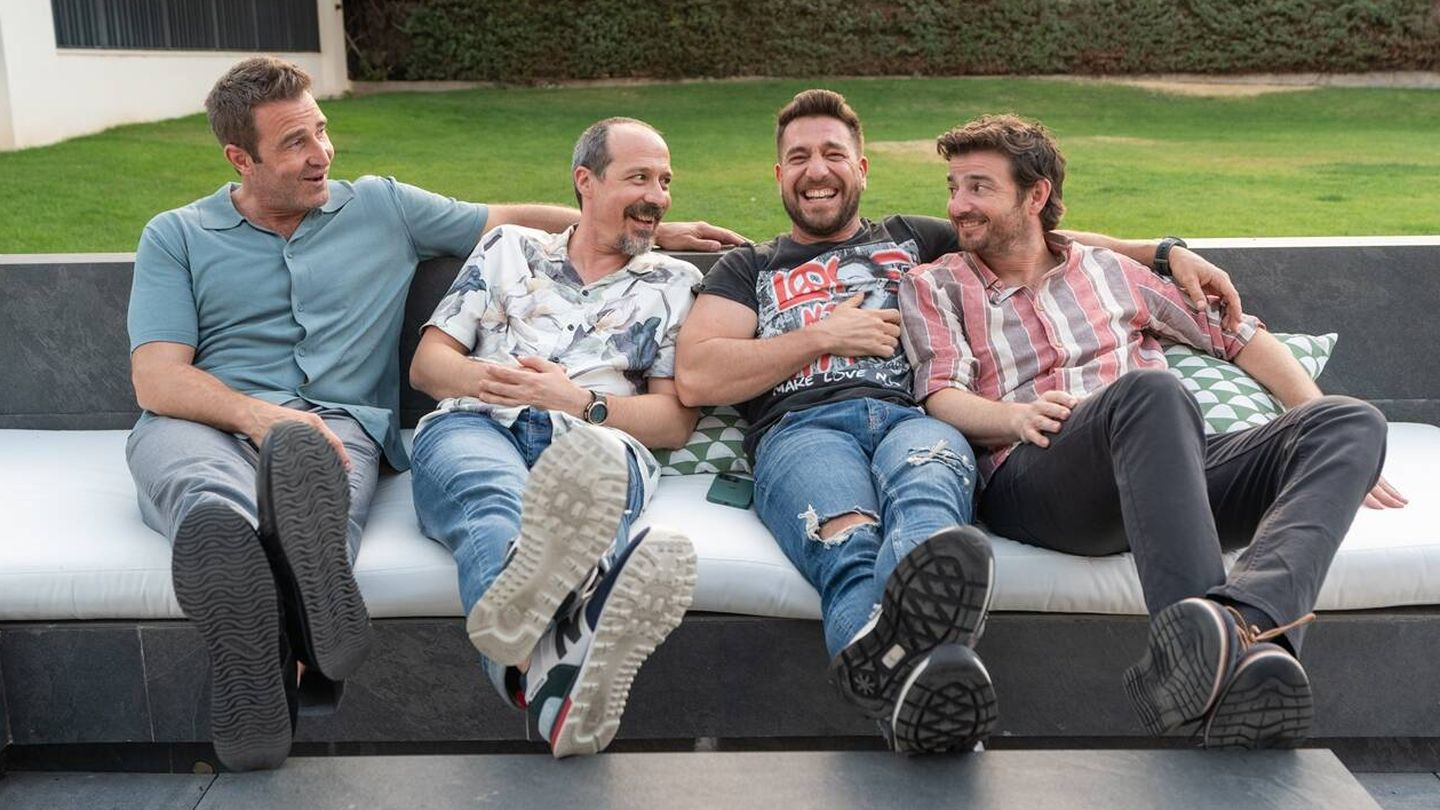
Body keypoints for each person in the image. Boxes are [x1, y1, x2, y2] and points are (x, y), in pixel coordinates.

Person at [125, 56, 740, 771]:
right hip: (205, 419)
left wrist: (642, 225)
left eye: (321, 130)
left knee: (325, 484)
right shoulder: (177, 234)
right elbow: (157, 377)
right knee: (211, 501)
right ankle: (274, 620)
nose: (322, 153)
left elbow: (501, 216)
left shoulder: (380, 206)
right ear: (241, 159)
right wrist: (262, 418)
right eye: (295, 142)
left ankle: (308, 642)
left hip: (338, 430)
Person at [674, 88, 1242, 754]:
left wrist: (1164, 252)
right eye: (798, 157)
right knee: (848, 544)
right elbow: (698, 375)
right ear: (779, 175)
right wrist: (822, 336)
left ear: (862, 169)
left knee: (927, 521)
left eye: (833, 153)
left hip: (914, 420)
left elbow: (1036, 237)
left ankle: (912, 696)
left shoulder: (912, 239)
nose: (816, 170)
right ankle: (923, 699)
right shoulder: (750, 266)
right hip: (802, 432)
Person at [899, 113, 1407, 749]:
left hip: (1165, 467)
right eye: (953, 187)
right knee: (1152, 392)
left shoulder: (1109, 270)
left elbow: (1236, 337)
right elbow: (940, 393)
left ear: (1035, 196)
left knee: (1349, 420)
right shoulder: (935, 282)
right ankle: (1186, 655)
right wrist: (1013, 418)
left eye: (979, 187)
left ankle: (1246, 629)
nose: (957, 206)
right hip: (1043, 474)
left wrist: (1319, 428)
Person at [408, 117, 701, 758]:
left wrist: (576, 402)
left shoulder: (676, 283)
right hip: (477, 422)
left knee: (590, 491)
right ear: (585, 181)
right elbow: (429, 366)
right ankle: (559, 661)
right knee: (493, 501)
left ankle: (529, 677)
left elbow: (673, 421)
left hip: (595, 438)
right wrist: (507, 384)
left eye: (665, 181)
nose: (658, 196)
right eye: (639, 178)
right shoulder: (509, 249)